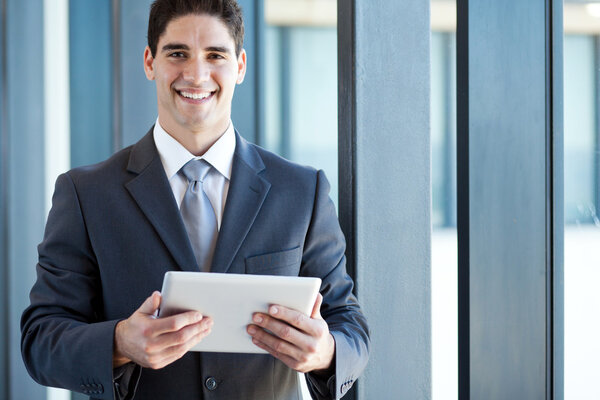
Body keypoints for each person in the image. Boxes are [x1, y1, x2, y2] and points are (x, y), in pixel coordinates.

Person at [21, 0, 369, 398]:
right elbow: (40, 339)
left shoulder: (302, 191)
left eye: (215, 55)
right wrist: (119, 343)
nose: (196, 74)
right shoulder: (86, 194)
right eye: (178, 53)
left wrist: (325, 351)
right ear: (150, 61)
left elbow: (348, 323)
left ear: (239, 66)